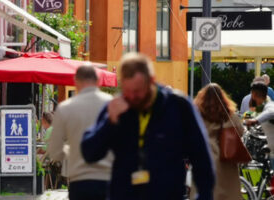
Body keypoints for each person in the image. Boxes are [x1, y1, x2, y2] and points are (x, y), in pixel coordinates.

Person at [81, 52, 215, 200]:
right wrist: (109, 123)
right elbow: (89, 153)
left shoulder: (178, 106)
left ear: (151, 81)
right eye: (127, 91)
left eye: (138, 92)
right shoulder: (117, 108)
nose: (132, 97)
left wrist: (204, 196)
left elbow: (201, 157)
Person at [46, 63, 113, 200]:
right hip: (108, 179)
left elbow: (55, 152)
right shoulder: (113, 105)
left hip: (80, 180)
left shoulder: (65, 108)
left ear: (76, 81)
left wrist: (72, 150)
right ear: (98, 81)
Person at [193, 82, 245, 200]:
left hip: (205, 158)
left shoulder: (198, 115)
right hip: (226, 159)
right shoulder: (230, 115)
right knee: (228, 194)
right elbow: (240, 131)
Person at [243, 81, 274, 166]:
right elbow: (248, 115)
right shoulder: (258, 107)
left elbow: (271, 112)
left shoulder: (269, 105)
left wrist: (255, 120)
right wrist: (245, 121)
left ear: (253, 94)